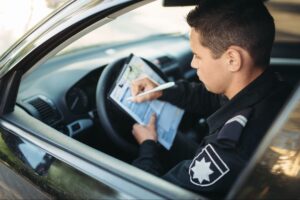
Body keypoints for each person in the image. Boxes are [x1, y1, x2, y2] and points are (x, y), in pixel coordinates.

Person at [130, 0, 291, 198]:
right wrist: (163, 91)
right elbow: (215, 99)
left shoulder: (229, 152)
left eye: (198, 55)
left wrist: (148, 146)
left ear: (232, 59)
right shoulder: (276, 89)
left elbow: (148, 195)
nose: (192, 63)